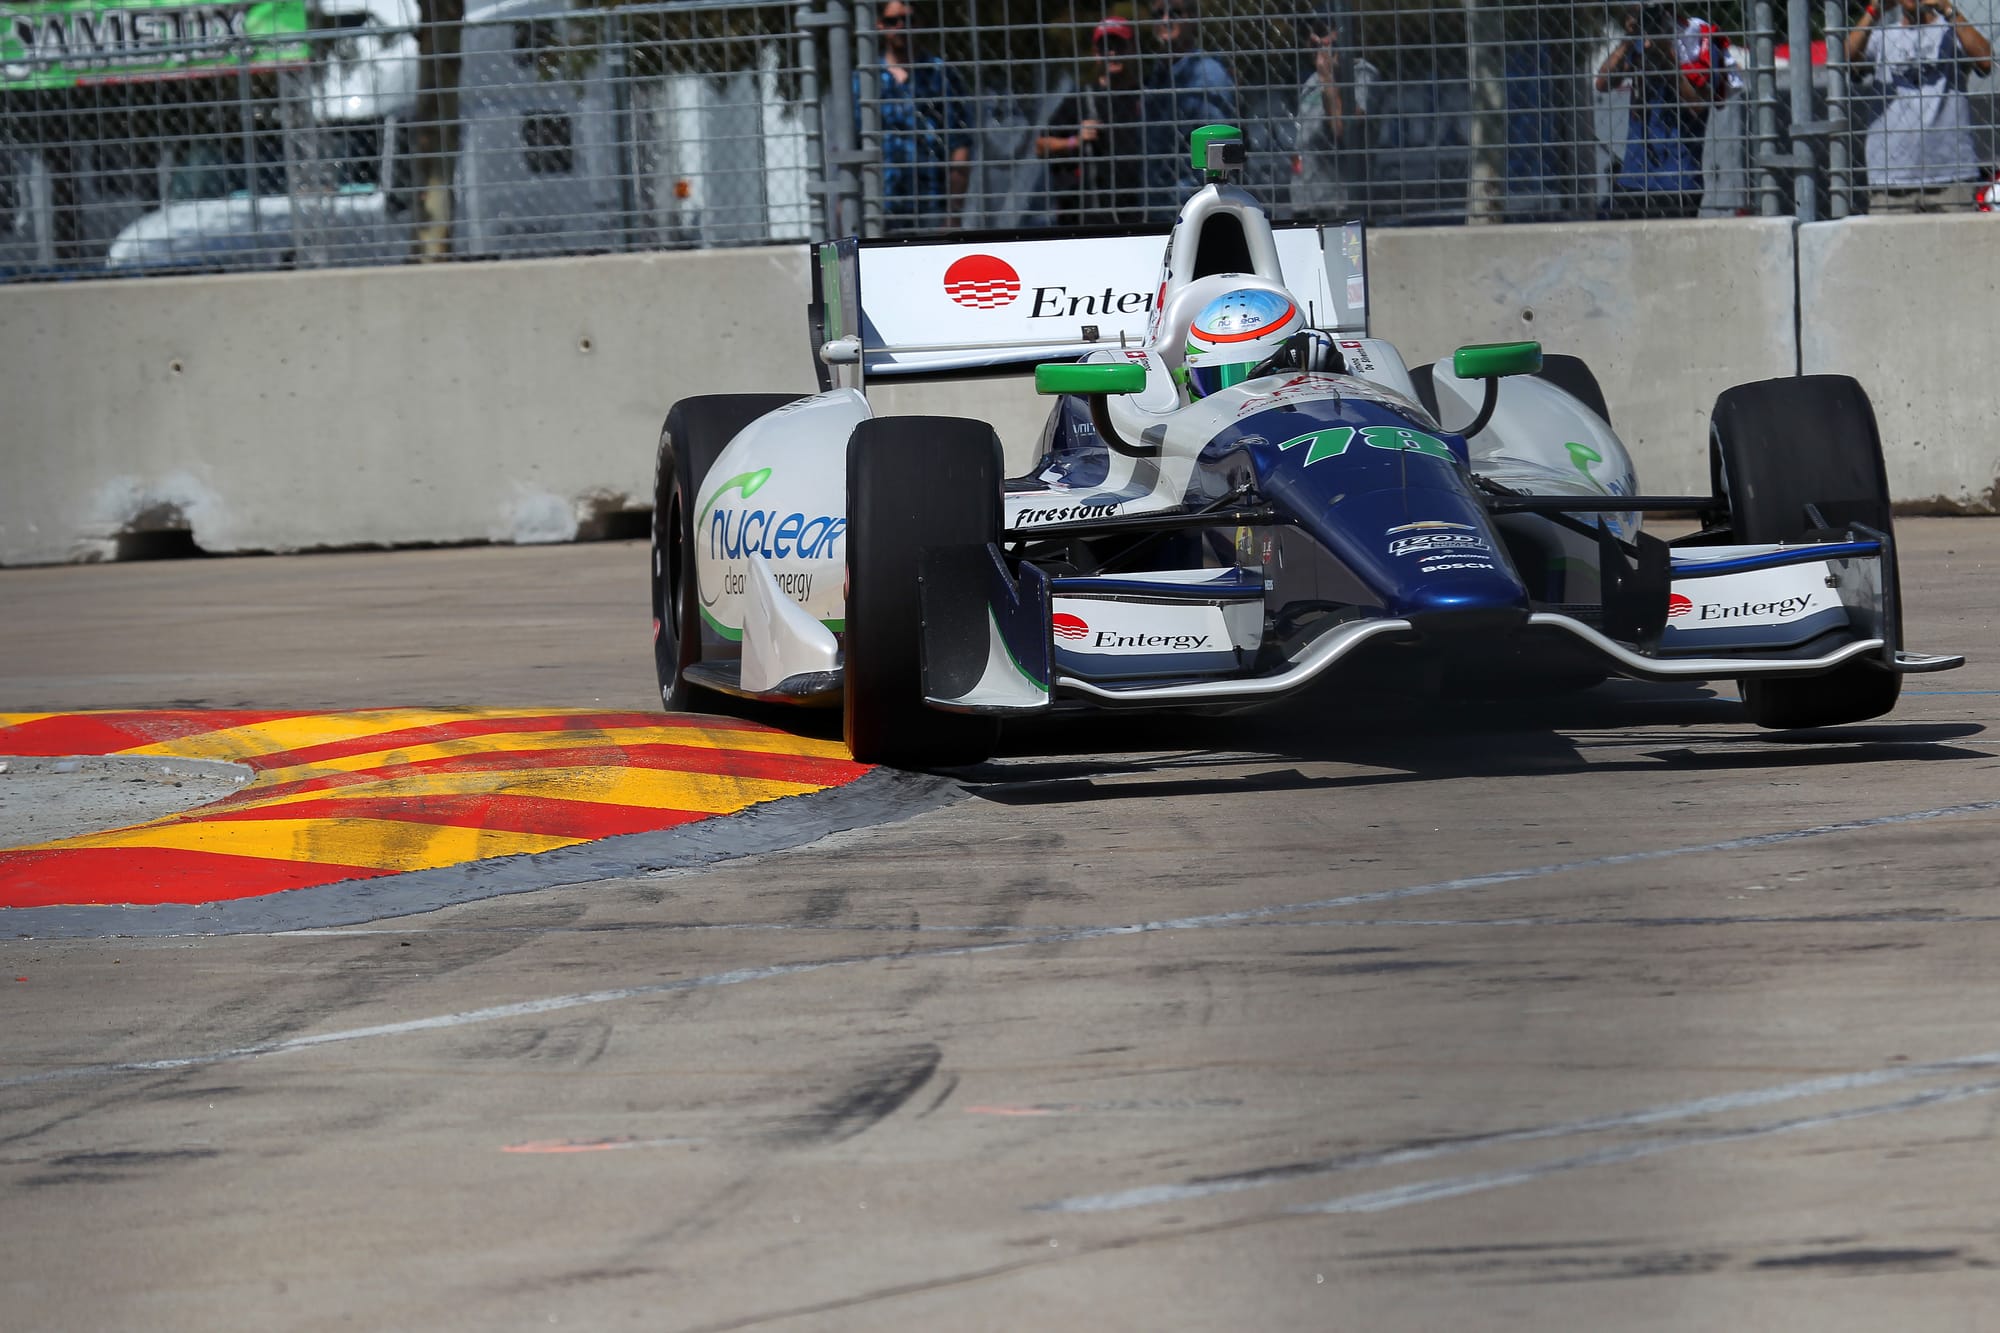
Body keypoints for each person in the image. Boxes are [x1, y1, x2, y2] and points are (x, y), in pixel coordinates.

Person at [1847, 0, 1994, 212]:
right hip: (1892, 175)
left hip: (1952, 172)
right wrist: (1874, 11)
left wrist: (1948, 9)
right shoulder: (1882, 36)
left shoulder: (1952, 31)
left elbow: (1986, 60)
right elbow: (1845, 60)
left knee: (1957, 244)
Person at [1595, 3, 1722, 218]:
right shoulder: (1638, 42)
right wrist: (1629, 39)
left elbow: (1698, 103)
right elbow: (1603, 83)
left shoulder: (1695, 38)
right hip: (1635, 173)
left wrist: (1665, 55)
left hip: (1678, 175)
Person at [857, 1, 973, 231]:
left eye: (907, 20)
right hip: (880, 205)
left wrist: (954, 212)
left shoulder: (940, 74)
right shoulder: (866, 80)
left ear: (918, 23)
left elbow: (960, 144)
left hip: (932, 202)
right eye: (892, 21)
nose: (901, 26)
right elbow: (851, 144)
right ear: (880, 25)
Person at [1036, 17, 1151, 227]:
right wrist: (1075, 141)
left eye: (1119, 46)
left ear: (1132, 48)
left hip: (1143, 211)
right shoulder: (1083, 97)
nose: (1113, 53)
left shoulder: (1147, 96)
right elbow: (1041, 146)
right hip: (1090, 216)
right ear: (1096, 53)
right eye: (1106, 47)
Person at [1144, 0, 1238, 216]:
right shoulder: (1157, 76)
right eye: (1159, 14)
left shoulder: (1207, 76)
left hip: (1195, 212)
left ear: (1193, 20)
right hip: (1155, 208)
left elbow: (1220, 161)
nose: (1166, 20)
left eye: (1175, 12)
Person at [1291, 14, 1379, 221]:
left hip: (1341, 204)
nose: (1314, 39)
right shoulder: (1312, 81)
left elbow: (1344, 130)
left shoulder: (1362, 73)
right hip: (1306, 201)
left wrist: (1328, 78)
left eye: (1322, 32)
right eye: (1310, 32)